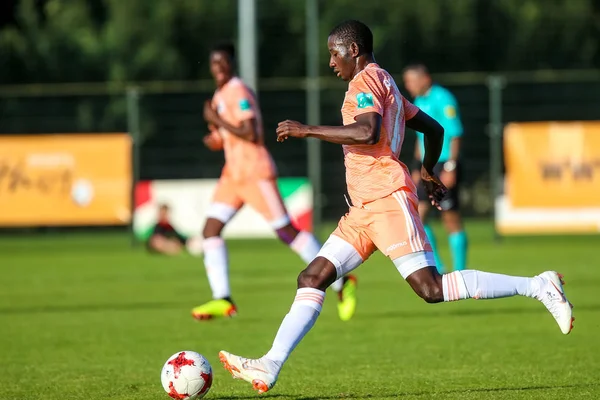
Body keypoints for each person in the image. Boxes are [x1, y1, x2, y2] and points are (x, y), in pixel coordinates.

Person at [217, 20, 574, 394]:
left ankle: (538, 285)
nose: (331, 62)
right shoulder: (385, 81)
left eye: (334, 53)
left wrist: (306, 130)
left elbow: (367, 132)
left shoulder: (366, 81)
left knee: (431, 289)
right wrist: (428, 170)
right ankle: (270, 365)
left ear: (353, 49)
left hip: (386, 200)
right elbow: (433, 129)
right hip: (362, 211)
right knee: (312, 277)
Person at [192, 42, 357, 321]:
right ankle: (223, 299)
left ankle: (342, 281)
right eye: (213, 63)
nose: (218, 67)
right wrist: (216, 139)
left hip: (255, 173)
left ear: (231, 63)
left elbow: (250, 132)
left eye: (223, 62)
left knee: (286, 232)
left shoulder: (238, 91)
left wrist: (216, 119)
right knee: (210, 230)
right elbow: (230, 135)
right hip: (233, 174)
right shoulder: (220, 94)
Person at [403, 64, 467, 273]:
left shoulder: (443, 98)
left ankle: (460, 270)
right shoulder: (419, 101)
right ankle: (437, 267)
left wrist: (451, 166)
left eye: (411, 81)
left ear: (425, 79)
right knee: (419, 216)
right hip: (426, 166)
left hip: (444, 162)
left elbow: (455, 134)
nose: (408, 86)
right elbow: (419, 139)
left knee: (450, 217)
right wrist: (415, 166)